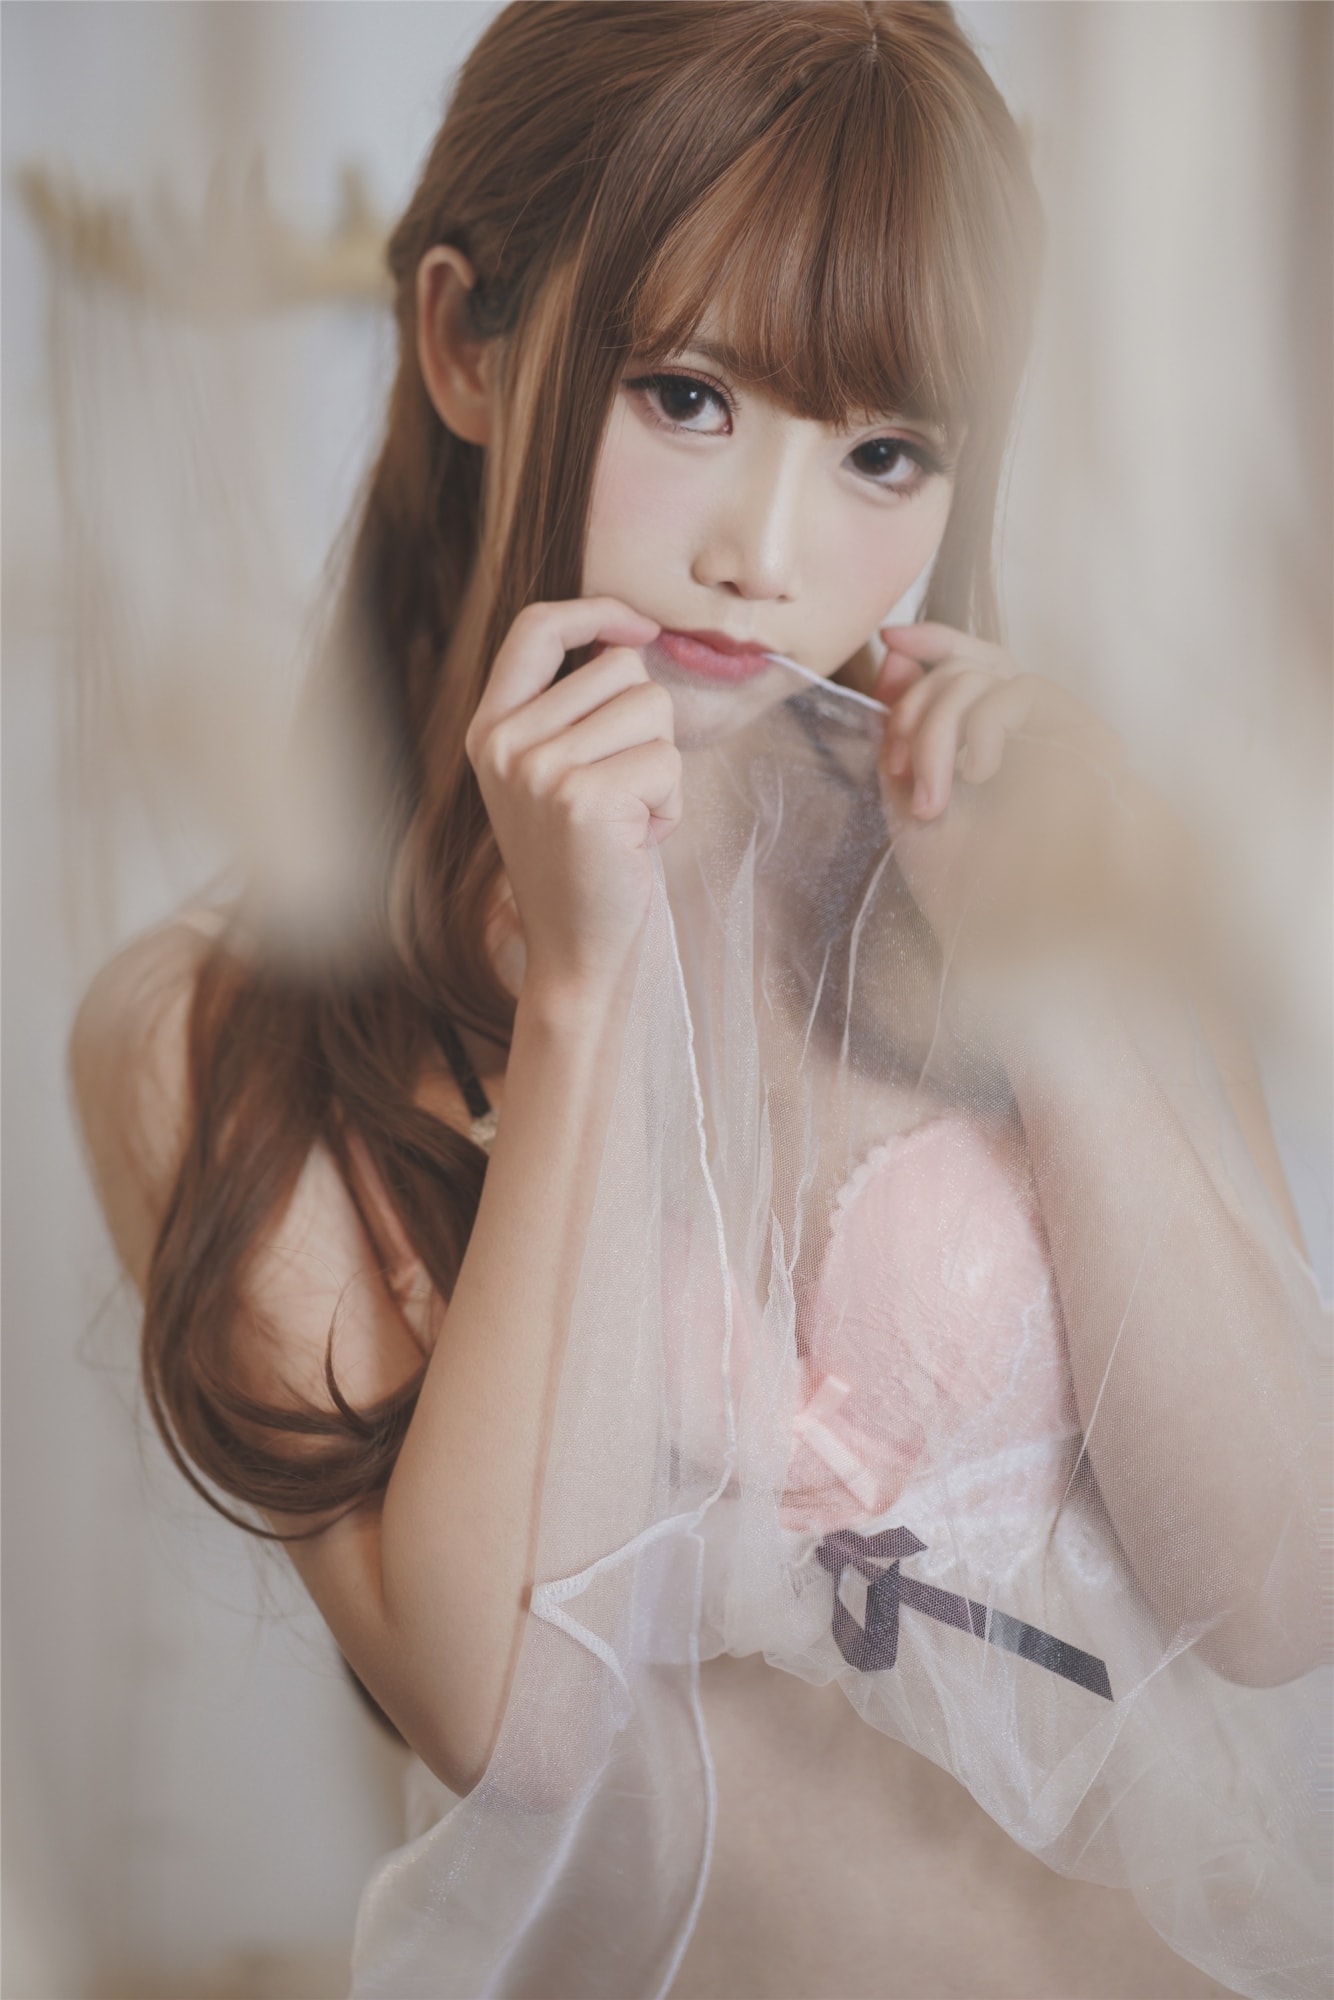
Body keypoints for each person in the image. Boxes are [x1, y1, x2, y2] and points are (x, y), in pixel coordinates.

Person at [69, 6, 1324, 1998]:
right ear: (466, 346)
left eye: (883, 450)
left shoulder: (1061, 839)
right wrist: (583, 997)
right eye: (685, 396)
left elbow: (1272, 1597)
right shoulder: (218, 1030)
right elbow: (509, 1721)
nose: (765, 555)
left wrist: (1054, 979)